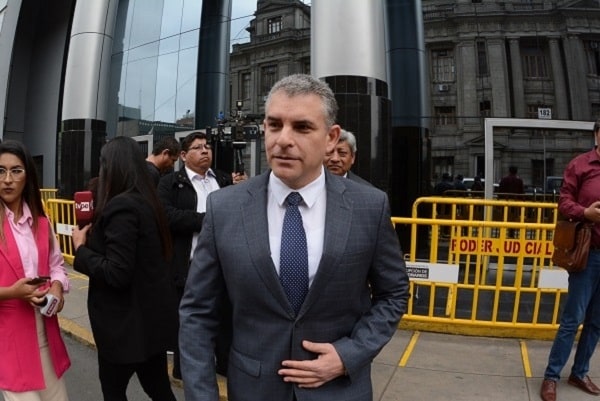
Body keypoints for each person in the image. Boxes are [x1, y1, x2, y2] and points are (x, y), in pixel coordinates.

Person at [179, 73, 409, 401]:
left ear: (331, 138)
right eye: (274, 125)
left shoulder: (369, 207)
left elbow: (393, 294)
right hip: (253, 389)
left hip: (339, 392)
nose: (283, 140)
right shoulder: (225, 207)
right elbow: (197, 313)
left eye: (302, 127)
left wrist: (350, 354)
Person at [71, 136, 178, 401]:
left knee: (115, 391)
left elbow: (116, 272)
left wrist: (81, 249)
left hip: (124, 329)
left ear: (111, 166)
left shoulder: (122, 206)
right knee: (159, 389)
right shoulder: (147, 202)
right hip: (148, 325)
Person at [157, 131, 245, 380]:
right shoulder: (171, 183)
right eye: (197, 147)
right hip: (188, 265)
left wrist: (243, 189)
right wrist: (208, 220)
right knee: (189, 320)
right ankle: (185, 369)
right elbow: (166, 216)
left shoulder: (225, 179)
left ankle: (224, 364)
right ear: (184, 156)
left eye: (207, 146)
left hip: (225, 264)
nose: (205, 150)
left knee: (225, 317)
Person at [0, 140, 71, 401]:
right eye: (0, 171)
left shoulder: (41, 222)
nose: (7, 179)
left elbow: (56, 265)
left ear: (28, 175)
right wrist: (12, 292)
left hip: (45, 335)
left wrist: (57, 288)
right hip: (8, 340)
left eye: (16, 171)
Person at [540, 120, 600, 401]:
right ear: (597, 135)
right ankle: (551, 376)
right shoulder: (581, 165)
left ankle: (579, 372)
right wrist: (585, 213)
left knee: (596, 321)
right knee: (572, 319)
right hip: (588, 254)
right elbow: (564, 202)